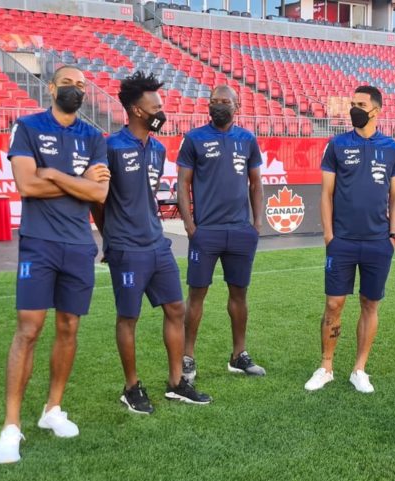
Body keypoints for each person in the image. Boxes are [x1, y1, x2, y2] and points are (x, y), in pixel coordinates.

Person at [0, 65, 111, 464]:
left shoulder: (94, 136)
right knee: (29, 328)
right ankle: (11, 426)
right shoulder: (27, 127)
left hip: (79, 245)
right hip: (39, 244)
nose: (75, 90)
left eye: (81, 86)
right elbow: (27, 184)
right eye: (68, 84)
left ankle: (52, 410)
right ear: (51, 87)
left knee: (69, 326)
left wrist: (57, 174)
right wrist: (78, 180)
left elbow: (99, 192)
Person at [94, 71, 212, 415]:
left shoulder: (158, 149)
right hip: (126, 248)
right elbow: (96, 201)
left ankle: (177, 383)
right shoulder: (110, 146)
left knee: (176, 308)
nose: (162, 111)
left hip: (157, 245)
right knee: (128, 317)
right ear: (137, 110)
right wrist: (110, 237)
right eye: (156, 106)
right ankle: (131, 388)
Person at [304, 85, 395, 394]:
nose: (354, 108)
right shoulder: (336, 144)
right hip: (342, 240)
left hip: (378, 241)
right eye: (352, 103)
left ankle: (359, 368)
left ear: (376, 110)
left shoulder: (391, 147)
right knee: (334, 303)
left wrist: (393, 233)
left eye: (360, 104)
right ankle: (326, 366)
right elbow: (326, 194)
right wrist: (329, 235)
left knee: (369, 304)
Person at [176, 85, 266, 382]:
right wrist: (190, 225)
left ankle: (239, 355)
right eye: (214, 101)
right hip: (207, 232)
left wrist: (257, 225)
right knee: (197, 295)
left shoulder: (247, 140)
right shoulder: (194, 138)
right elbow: (182, 184)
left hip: (240, 231)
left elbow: (256, 184)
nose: (218, 106)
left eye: (224, 102)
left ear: (237, 106)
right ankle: (187, 357)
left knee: (239, 295)